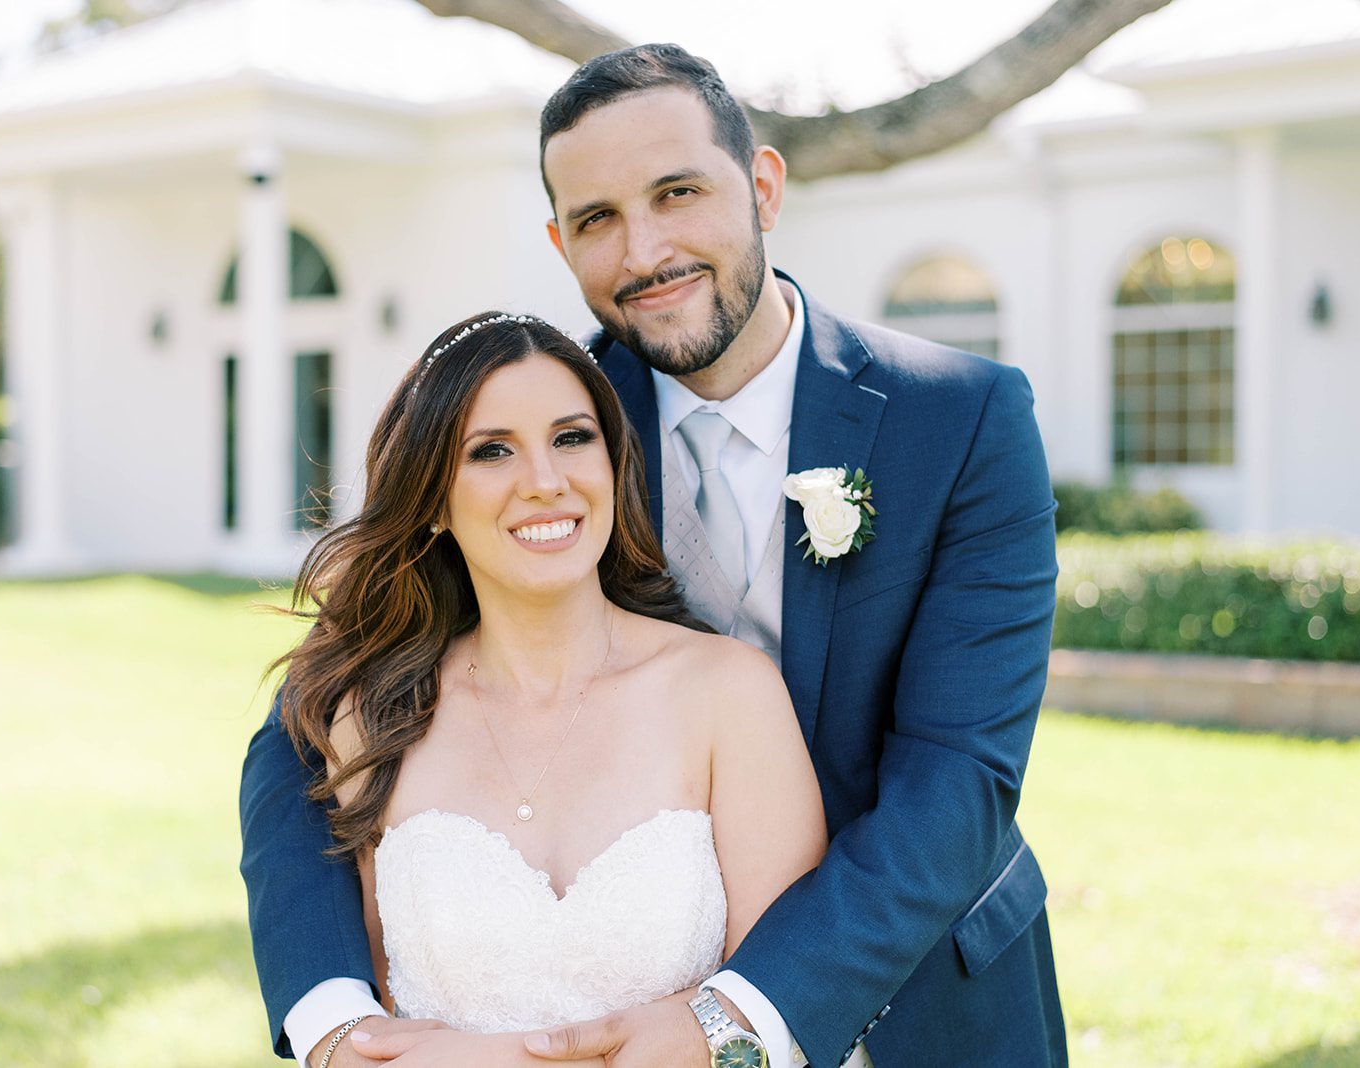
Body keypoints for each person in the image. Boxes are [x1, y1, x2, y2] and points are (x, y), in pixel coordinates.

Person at [241, 43, 1067, 1068]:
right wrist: (331, 1018)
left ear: (763, 185)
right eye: (597, 220)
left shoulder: (962, 421)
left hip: (927, 998)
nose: (645, 250)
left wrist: (736, 1020)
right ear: (560, 241)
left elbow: (960, 779)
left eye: (678, 194)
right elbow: (307, 728)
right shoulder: (549, 429)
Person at [260, 310, 827, 1067]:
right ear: (430, 500)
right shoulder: (373, 720)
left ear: (613, 461)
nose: (546, 482)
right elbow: (377, 1035)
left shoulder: (729, 695)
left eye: (571, 438)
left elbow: (781, 1009)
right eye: (492, 451)